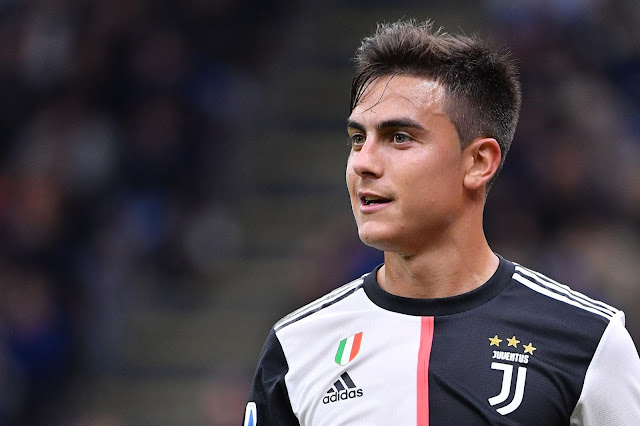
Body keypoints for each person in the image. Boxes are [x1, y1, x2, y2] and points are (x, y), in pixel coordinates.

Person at [243, 20, 640, 425]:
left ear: (479, 162)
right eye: (358, 139)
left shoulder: (589, 343)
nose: (363, 163)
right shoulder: (296, 348)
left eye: (399, 137)